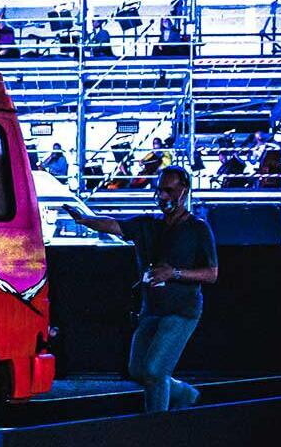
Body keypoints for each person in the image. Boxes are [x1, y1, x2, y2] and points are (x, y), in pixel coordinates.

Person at [66, 165, 218, 413]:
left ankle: (156, 424)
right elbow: (113, 225)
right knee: (137, 370)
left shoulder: (198, 229)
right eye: (160, 190)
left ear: (184, 191)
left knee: (155, 371)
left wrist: (174, 273)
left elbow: (211, 274)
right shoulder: (148, 225)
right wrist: (85, 220)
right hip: (152, 309)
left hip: (181, 311)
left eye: (169, 190)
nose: (163, 196)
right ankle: (185, 394)